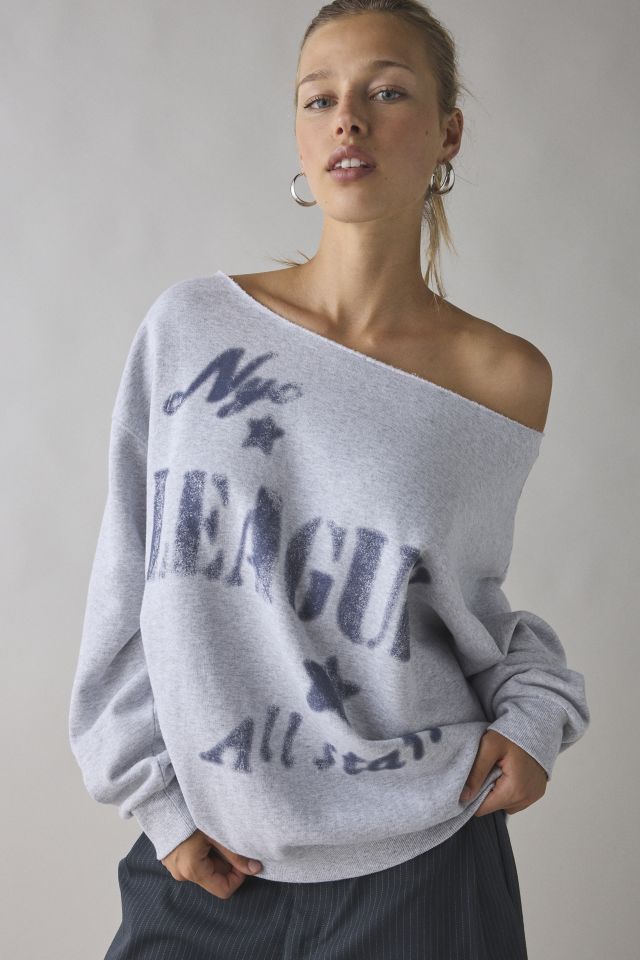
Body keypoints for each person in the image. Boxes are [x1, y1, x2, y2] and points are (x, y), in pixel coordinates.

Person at [68, 2, 591, 958]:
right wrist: (158, 805)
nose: (347, 118)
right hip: (210, 862)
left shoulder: (503, 378)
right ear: (302, 135)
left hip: (424, 857)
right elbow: (126, 579)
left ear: (448, 134)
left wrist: (537, 718)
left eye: (386, 92)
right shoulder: (192, 327)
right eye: (320, 99)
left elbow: (464, 607)